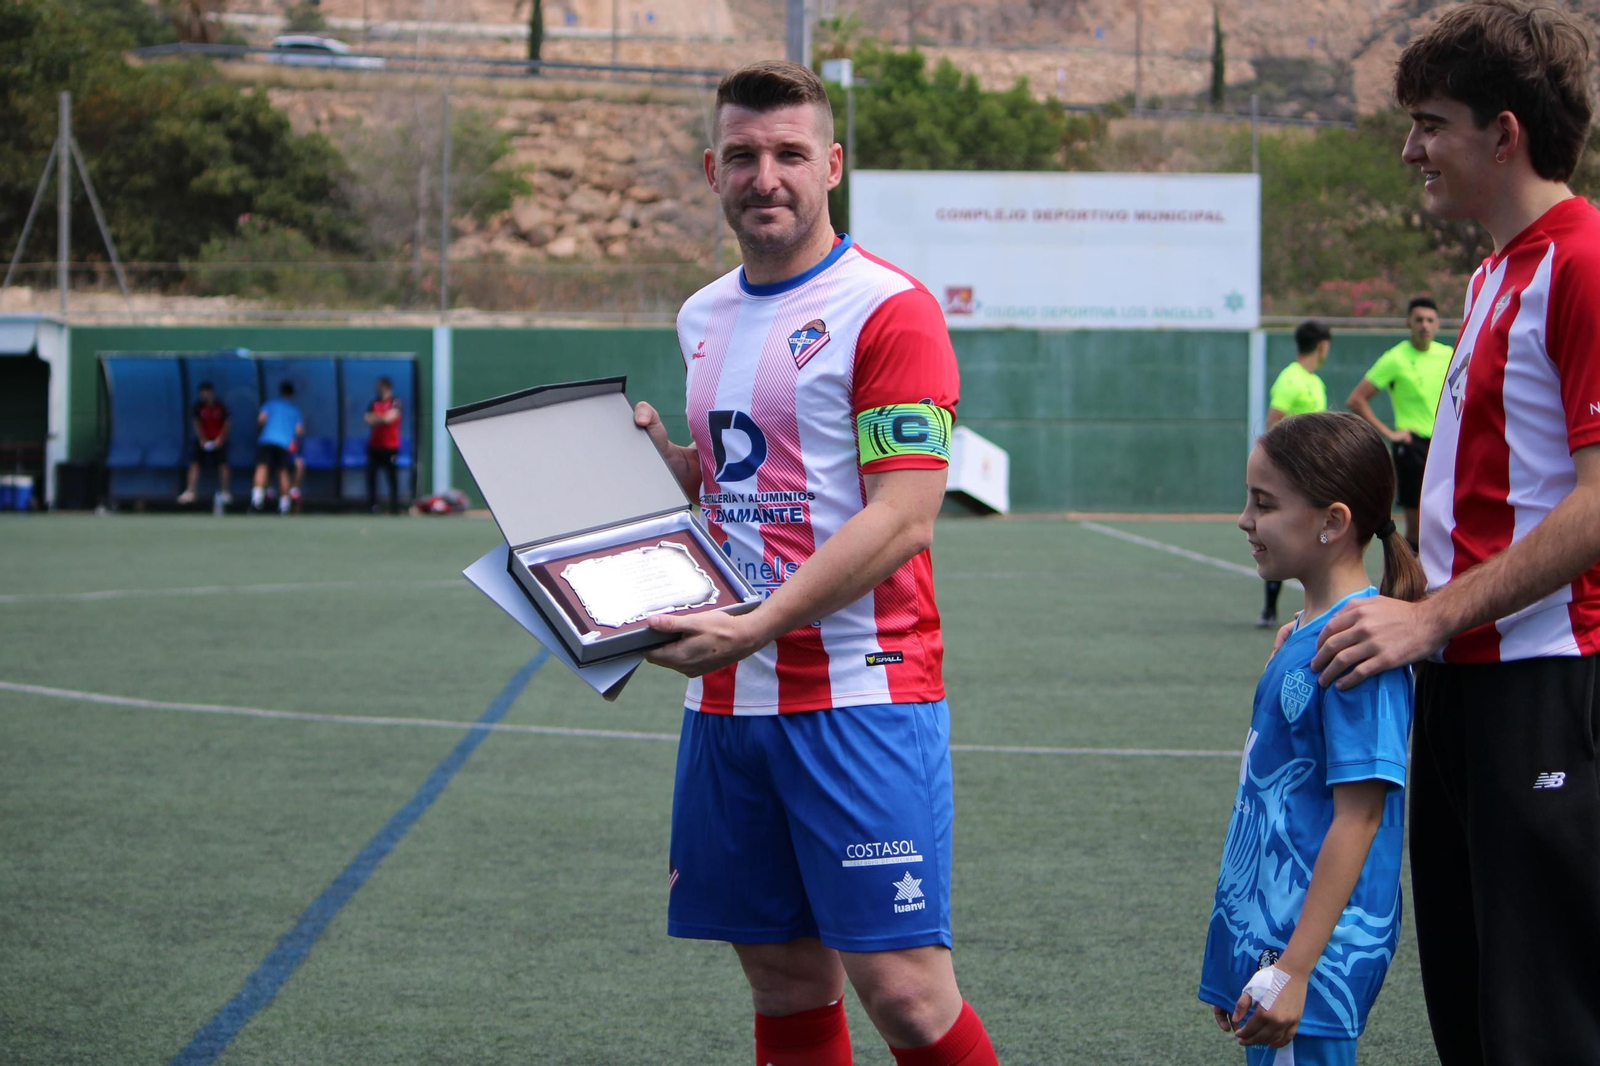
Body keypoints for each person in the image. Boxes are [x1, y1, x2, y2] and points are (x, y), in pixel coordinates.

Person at [629, 60, 1000, 1066]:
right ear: (712, 169)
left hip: (860, 697)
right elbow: (734, 478)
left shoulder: (891, 309)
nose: (766, 176)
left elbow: (904, 517)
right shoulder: (701, 317)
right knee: (784, 979)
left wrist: (756, 623)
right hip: (728, 703)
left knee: (907, 994)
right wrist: (656, 467)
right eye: (743, 155)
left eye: (789, 153)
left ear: (830, 164)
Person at [1309, 3, 1600, 1060]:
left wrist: (1427, 617)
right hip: (1466, 686)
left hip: (1548, 686)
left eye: (1430, 122)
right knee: (1475, 1017)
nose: (1410, 147)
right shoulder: (1492, 273)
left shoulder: (1583, 261)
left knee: (1545, 1024)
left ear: (1505, 131)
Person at [1203, 412, 1424, 1065]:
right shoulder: (1309, 630)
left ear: (1332, 523)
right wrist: (1237, 948)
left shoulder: (1357, 648)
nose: (1245, 520)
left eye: (1264, 504)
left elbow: (1359, 819)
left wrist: (1294, 970)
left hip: (1314, 956)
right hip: (1272, 941)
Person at [1345, 297, 1452, 551]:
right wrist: (1389, 433)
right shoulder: (1395, 358)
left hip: (1444, 446)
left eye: (1429, 320)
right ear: (1408, 323)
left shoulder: (1449, 355)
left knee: (1444, 521)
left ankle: (1435, 586)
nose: (1424, 325)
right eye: (1419, 320)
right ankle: (1403, 586)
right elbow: (1356, 400)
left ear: (1438, 324)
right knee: (1415, 532)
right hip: (1412, 447)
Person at [1258, 320, 1332, 628]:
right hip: (1294, 474)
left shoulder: (1315, 381)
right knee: (1284, 535)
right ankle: (1269, 609)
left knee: (1319, 537)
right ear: (1322, 346)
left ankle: (1319, 605)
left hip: (1315, 473)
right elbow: (1272, 423)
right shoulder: (1291, 378)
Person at [251, 381, 303, 515]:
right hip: (283, 444)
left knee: (262, 468)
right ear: (292, 394)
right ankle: (284, 506)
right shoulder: (294, 409)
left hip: (266, 440)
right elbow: (299, 431)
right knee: (283, 472)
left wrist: (261, 431)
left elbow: (261, 419)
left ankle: (256, 502)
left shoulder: (271, 404)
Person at [177, 381, 231, 506]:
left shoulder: (220, 406)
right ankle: (190, 492)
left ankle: (225, 492)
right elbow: (197, 423)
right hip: (203, 441)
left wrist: (220, 439)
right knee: (194, 463)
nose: (203, 396)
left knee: (223, 465)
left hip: (218, 441)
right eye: (202, 394)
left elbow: (227, 424)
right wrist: (202, 439)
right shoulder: (198, 406)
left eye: (205, 393)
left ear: (211, 393)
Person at [363, 376, 402, 515]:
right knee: (371, 477)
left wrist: (378, 418)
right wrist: (382, 418)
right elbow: (367, 419)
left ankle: (394, 508)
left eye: (379, 386)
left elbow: (389, 419)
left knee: (392, 478)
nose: (377, 388)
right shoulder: (373, 402)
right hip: (374, 446)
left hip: (391, 447)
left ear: (385, 387)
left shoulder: (395, 402)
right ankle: (372, 507)